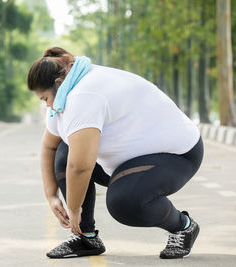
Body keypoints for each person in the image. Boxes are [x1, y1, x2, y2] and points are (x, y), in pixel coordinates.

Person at [27, 47, 203, 259]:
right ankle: (86, 237)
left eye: (45, 98)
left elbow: (80, 166)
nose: (47, 105)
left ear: (57, 84)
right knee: (65, 151)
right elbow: (50, 147)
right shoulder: (65, 92)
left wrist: (74, 209)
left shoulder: (84, 95)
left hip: (177, 154)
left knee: (124, 202)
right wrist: (51, 195)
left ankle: (183, 226)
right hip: (127, 159)